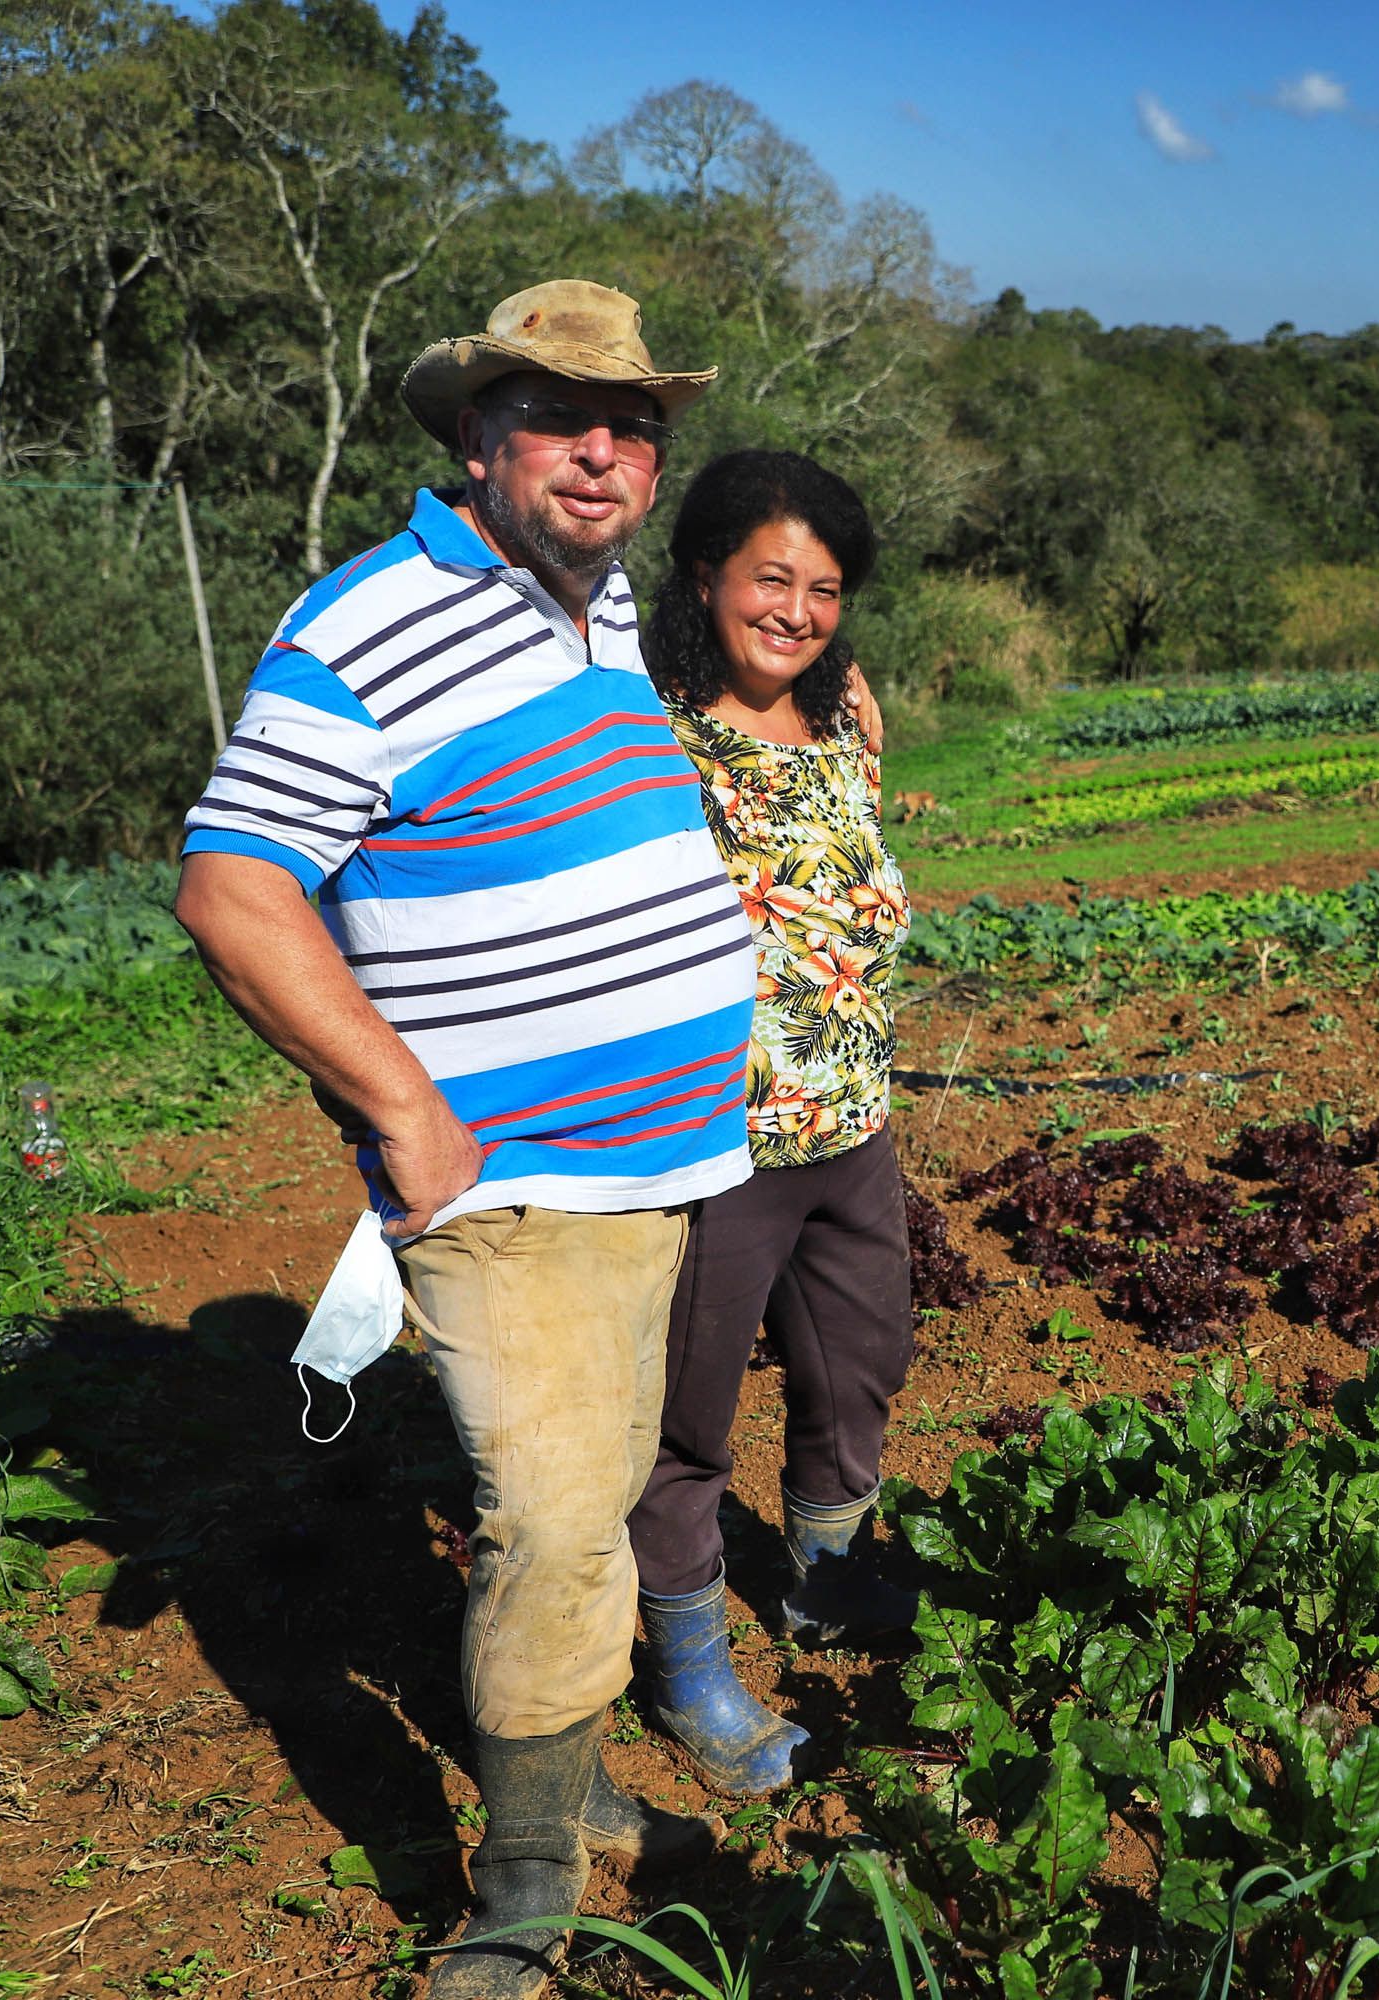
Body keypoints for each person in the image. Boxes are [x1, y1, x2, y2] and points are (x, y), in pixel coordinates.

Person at [173, 280, 767, 2000]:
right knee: (555, 1531)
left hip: (651, 1164)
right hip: (523, 1186)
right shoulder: (369, 623)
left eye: (632, 424)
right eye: (560, 416)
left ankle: (570, 1798)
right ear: (477, 435)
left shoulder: (595, 604)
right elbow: (234, 888)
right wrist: (408, 1109)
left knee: (578, 1503)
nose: (601, 450)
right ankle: (521, 1895)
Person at [624, 449, 920, 1795]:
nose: (797, 609)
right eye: (772, 579)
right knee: (687, 1418)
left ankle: (824, 1576)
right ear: (706, 576)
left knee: (858, 1360)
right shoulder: (649, 730)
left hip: (851, 1122)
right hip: (715, 1138)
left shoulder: (842, 724)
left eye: (824, 589)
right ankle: (686, 1661)